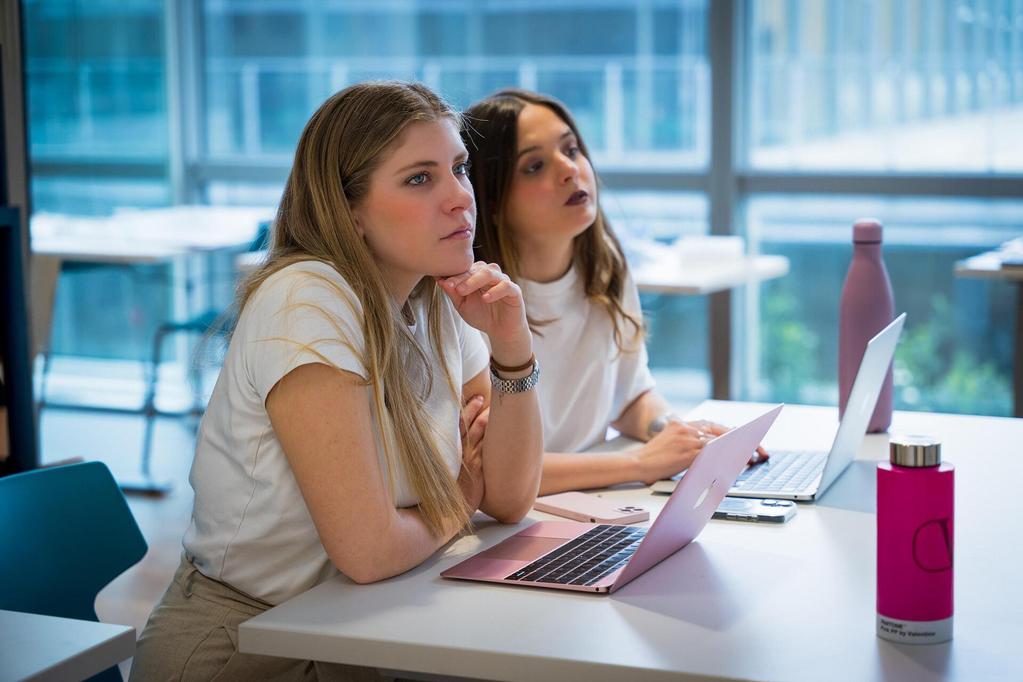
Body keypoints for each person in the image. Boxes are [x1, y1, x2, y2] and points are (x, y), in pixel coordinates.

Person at [129, 81, 543, 681]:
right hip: (249, 647)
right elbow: (370, 551)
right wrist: (460, 495)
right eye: (419, 179)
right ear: (348, 208)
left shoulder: (436, 295)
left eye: (459, 168)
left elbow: (508, 496)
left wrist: (513, 348)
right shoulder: (307, 300)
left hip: (362, 627)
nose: (460, 198)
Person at [462, 88, 764, 496]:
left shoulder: (606, 269)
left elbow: (630, 396)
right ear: (491, 201)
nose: (569, 170)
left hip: (589, 500)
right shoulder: (476, 303)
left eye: (571, 149)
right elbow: (497, 471)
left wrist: (679, 433)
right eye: (534, 166)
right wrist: (640, 463)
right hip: (517, 516)